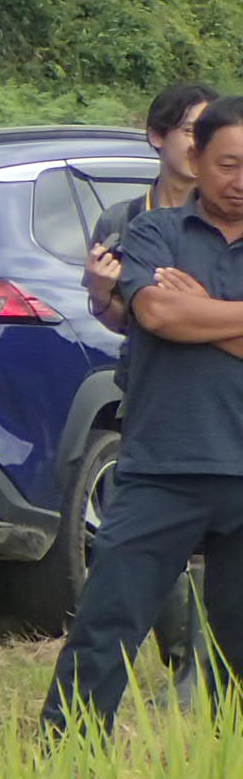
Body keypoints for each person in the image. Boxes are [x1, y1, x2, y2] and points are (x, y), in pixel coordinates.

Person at [46, 96, 243, 736]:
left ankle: (223, 771)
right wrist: (187, 314)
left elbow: (182, 317)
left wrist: (202, 312)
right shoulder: (154, 230)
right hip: (162, 462)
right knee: (108, 621)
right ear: (196, 158)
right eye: (228, 165)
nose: (239, 182)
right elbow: (157, 315)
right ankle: (66, 758)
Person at [86, 84, 213, 331]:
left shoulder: (230, 220)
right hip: (142, 367)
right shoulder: (121, 220)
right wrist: (99, 291)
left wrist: (202, 308)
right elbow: (124, 326)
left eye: (208, 134)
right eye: (190, 131)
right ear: (156, 136)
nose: (199, 145)